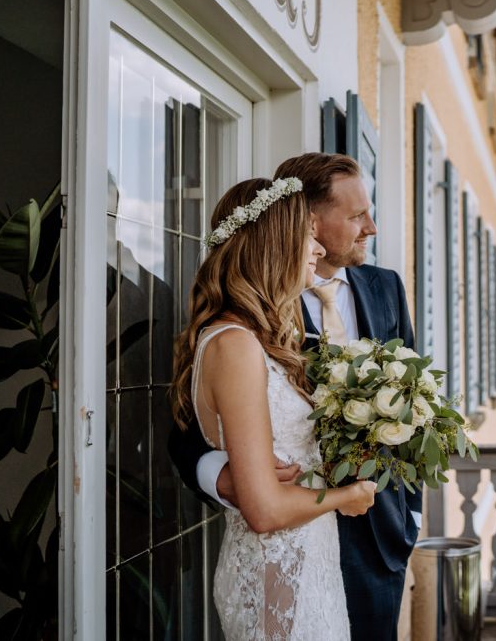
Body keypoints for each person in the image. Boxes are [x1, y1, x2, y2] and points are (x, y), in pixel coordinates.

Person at [169, 155, 422, 641]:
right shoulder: (237, 336)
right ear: (300, 225)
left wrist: (407, 514)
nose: (370, 226)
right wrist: (224, 476)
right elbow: (189, 424)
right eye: (354, 216)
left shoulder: (383, 289)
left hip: (373, 539)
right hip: (286, 542)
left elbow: (411, 406)